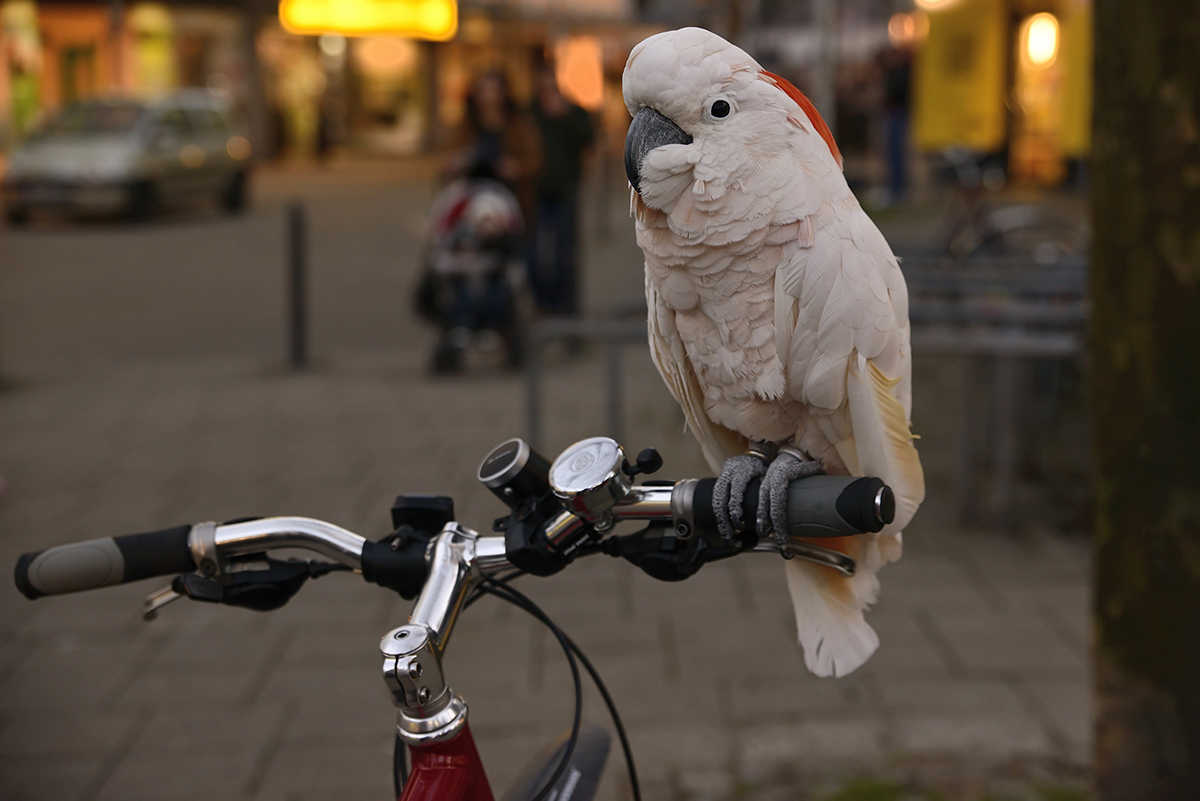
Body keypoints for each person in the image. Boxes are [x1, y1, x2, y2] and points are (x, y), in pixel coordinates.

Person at [529, 65, 594, 317]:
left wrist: (565, 115)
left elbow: (587, 139)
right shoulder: (530, 112)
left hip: (566, 190)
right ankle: (544, 305)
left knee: (564, 256)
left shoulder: (572, 110)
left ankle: (567, 311)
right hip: (537, 193)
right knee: (535, 255)